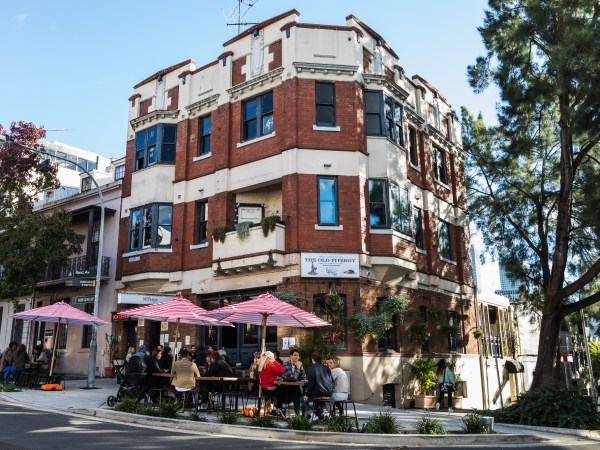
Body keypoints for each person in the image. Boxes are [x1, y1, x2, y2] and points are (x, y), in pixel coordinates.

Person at [299, 351, 333, 422]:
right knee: (320, 394)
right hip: (328, 393)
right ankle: (325, 411)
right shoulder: (327, 368)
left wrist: (307, 395)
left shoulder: (311, 368)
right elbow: (332, 380)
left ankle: (312, 415)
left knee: (301, 399)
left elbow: (311, 384)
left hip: (317, 394)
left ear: (312, 359)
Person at [275, 348, 306, 413]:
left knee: (298, 391)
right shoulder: (285, 365)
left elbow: (303, 378)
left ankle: (300, 415)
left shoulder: (299, 365)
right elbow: (294, 377)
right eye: (295, 355)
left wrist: (302, 368)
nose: (297, 357)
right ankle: (300, 413)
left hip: (294, 388)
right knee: (297, 392)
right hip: (285, 389)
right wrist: (298, 368)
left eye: (298, 355)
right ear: (290, 356)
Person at [258, 351, 285, 419]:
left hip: (264, 388)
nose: (274, 359)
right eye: (273, 357)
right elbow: (282, 370)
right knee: (283, 390)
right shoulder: (270, 366)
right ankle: (279, 408)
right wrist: (274, 362)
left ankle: (273, 407)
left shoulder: (261, 366)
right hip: (270, 388)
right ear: (269, 358)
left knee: (280, 390)